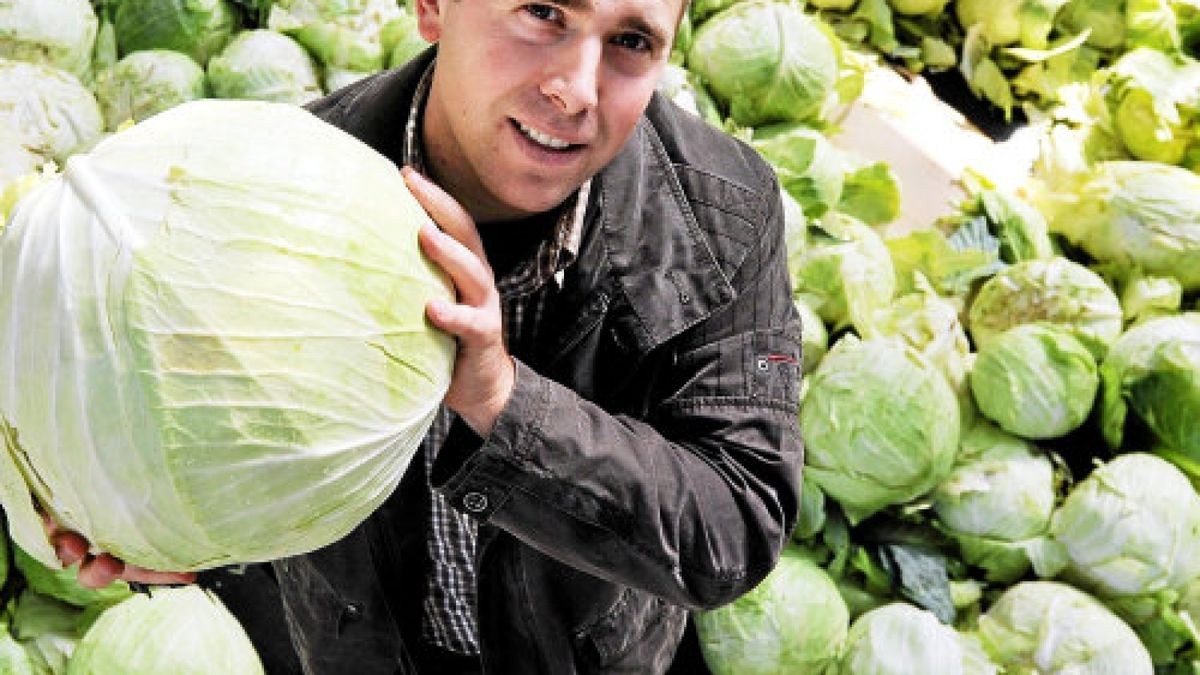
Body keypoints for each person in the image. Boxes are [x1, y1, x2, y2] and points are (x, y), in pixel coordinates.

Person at [51, 0, 804, 671]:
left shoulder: (723, 215)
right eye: (543, 13)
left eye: (633, 40)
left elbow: (736, 524)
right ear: (433, 6)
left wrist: (506, 405)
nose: (576, 89)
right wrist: (140, 509)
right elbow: (220, 421)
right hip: (353, 642)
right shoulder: (274, 197)